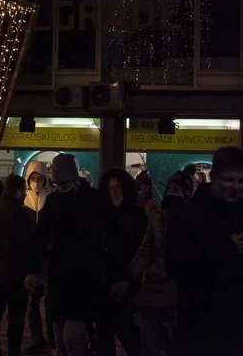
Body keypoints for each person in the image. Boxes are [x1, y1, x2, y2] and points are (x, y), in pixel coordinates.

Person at [26, 153, 115, 356]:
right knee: (62, 337)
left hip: (83, 278)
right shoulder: (57, 202)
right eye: (58, 184)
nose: (61, 188)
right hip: (63, 278)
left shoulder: (92, 201)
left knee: (70, 336)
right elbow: (40, 238)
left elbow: (111, 236)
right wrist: (33, 269)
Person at [165, 146, 243, 356]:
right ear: (214, 176)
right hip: (201, 324)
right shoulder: (189, 215)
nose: (236, 186)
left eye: (241, 181)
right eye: (229, 179)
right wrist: (224, 248)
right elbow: (174, 264)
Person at [130, 171, 193, 356]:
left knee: (152, 346)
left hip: (160, 292)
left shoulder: (158, 217)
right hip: (172, 293)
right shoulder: (188, 219)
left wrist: (130, 277)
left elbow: (144, 252)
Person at [96, 168, 147, 356]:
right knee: (105, 337)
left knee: (129, 336)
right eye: (110, 188)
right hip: (104, 282)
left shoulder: (135, 214)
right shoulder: (101, 214)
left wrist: (130, 281)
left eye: (117, 187)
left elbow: (141, 250)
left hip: (125, 282)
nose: (114, 191)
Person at [0, 175, 32, 356]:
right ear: (18, 190)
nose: (26, 193)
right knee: (16, 317)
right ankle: (13, 351)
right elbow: (25, 245)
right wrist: (30, 270)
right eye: (25, 190)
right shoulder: (19, 213)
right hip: (15, 273)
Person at [22, 161, 54, 355]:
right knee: (32, 303)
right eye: (33, 178)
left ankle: (51, 335)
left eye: (39, 178)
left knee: (50, 302)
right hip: (30, 261)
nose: (36, 182)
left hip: (48, 261)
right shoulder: (24, 203)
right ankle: (36, 337)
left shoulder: (50, 201)